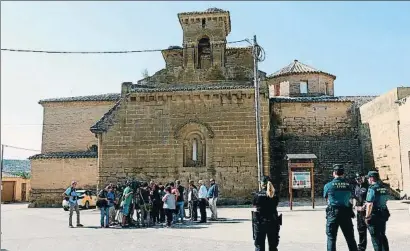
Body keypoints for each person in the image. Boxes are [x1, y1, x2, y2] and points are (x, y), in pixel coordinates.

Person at [323, 164, 358, 251]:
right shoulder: (348, 185)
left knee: (331, 238)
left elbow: (327, 199)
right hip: (346, 212)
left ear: (334, 173)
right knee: (350, 238)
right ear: (343, 174)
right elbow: (351, 199)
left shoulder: (328, 186)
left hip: (333, 213)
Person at [252, 176, 281, 251]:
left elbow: (254, 204)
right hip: (273, 221)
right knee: (273, 246)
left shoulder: (257, 194)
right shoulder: (275, 194)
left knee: (259, 246)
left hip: (260, 222)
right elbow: (276, 203)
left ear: (262, 184)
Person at [365, 171, 390, 251]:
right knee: (382, 235)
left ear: (372, 178)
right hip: (383, 213)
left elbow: (369, 204)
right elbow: (385, 200)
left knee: (375, 238)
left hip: (374, 214)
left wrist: (367, 217)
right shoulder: (383, 187)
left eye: (368, 178)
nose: (368, 180)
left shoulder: (372, 188)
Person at [353, 172, 369, 251]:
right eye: (356, 179)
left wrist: (364, 206)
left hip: (368, 211)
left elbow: (371, 199)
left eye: (359, 178)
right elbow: (355, 197)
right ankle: (361, 248)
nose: (358, 180)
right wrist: (354, 206)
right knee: (361, 230)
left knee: (373, 231)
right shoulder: (356, 186)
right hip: (359, 212)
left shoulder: (368, 186)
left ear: (363, 177)